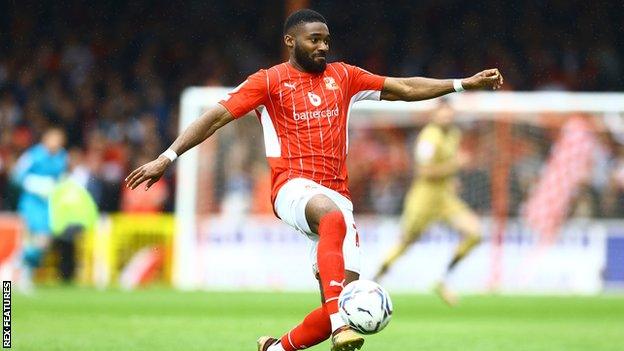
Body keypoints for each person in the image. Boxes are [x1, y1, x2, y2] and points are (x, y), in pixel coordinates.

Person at [125, 9, 503, 351]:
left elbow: (403, 88)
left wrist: (462, 84)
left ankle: (277, 348)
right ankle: (340, 325)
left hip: (339, 196)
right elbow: (216, 117)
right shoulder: (269, 82)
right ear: (291, 41)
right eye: (314, 40)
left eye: (326, 40)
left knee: (344, 299)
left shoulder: (345, 77)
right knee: (335, 252)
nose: (323, 46)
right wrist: (166, 157)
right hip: (292, 187)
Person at [373, 99, 482, 306]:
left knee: (475, 233)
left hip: (444, 198)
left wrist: (451, 181)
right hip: (424, 198)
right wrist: (454, 165)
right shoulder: (428, 138)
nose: (446, 117)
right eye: (443, 113)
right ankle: (374, 279)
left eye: (449, 113)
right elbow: (423, 171)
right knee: (405, 242)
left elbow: (444, 169)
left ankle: (443, 280)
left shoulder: (454, 134)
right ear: (435, 114)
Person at [11, 127, 68, 289]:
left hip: (48, 206)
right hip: (31, 204)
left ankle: (20, 267)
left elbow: (61, 179)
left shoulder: (61, 157)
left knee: (43, 242)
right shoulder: (33, 155)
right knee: (33, 239)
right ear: (45, 139)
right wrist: (35, 184)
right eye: (54, 140)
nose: (56, 144)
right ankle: (20, 273)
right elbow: (16, 175)